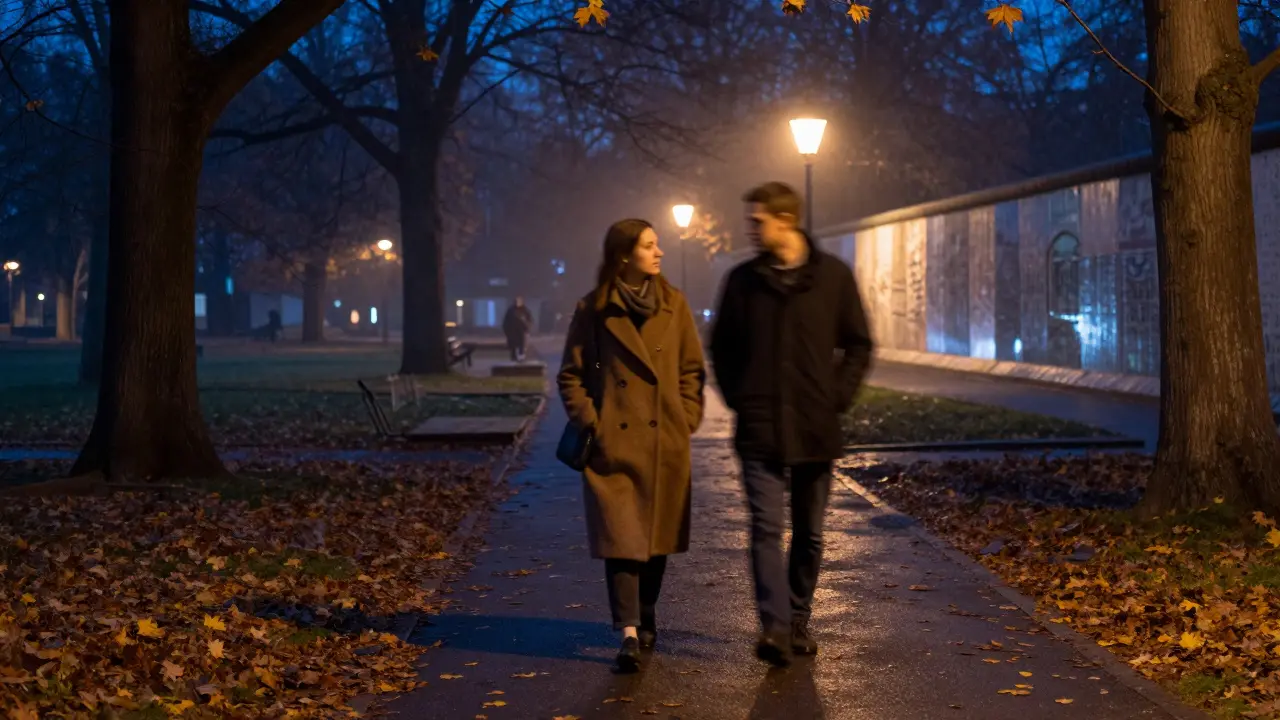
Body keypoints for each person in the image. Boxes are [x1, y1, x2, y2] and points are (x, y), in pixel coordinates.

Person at [709, 181, 874, 668]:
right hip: (760, 425)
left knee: (810, 532)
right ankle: (775, 627)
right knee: (765, 528)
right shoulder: (742, 281)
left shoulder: (832, 277)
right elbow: (721, 347)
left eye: (757, 220)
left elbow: (858, 343)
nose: (750, 228)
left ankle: (798, 617)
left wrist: (836, 397)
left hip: (814, 425)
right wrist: (740, 398)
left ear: (786, 220)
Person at [557, 218, 707, 672]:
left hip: (665, 441)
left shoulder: (674, 304)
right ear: (625, 255)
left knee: (656, 542)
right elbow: (571, 374)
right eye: (649, 246)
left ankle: (645, 613)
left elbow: (691, 369)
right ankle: (628, 633)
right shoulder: (595, 308)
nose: (659, 253)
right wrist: (594, 422)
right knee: (621, 539)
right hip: (615, 445)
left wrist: (686, 417)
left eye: (658, 244)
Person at [502, 296, 534, 361]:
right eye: (516, 301)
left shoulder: (525, 310)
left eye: (519, 301)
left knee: (522, 346)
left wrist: (527, 327)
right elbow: (506, 322)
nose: (517, 303)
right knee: (513, 347)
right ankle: (513, 359)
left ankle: (521, 358)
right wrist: (507, 331)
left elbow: (530, 320)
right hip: (512, 332)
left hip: (522, 332)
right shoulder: (511, 311)